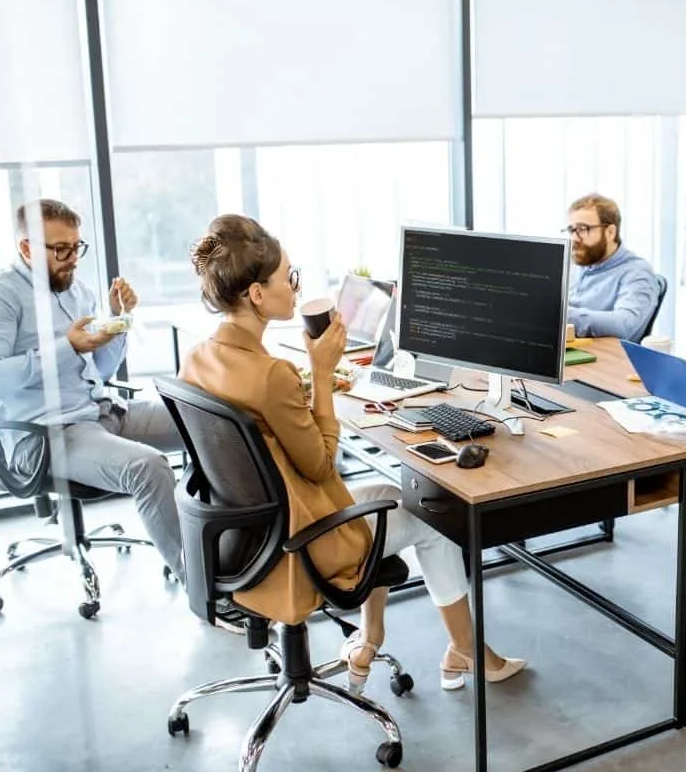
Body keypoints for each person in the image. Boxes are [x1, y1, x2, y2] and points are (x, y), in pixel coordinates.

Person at [181, 214, 525, 693]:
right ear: (257, 294)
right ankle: (466, 649)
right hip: (298, 545)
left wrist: (304, 392)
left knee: (387, 493)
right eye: (289, 278)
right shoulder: (270, 375)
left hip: (245, 535)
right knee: (433, 516)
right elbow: (321, 464)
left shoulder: (198, 358)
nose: (296, 289)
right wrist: (322, 375)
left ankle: (371, 637)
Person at [0, 199, 184, 582]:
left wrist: (119, 319)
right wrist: (69, 346)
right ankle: (203, 588)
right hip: (46, 434)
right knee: (149, 469)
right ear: (27, 248)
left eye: (76, 246)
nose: (72, 258)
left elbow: (102, 369)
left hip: (98, 412)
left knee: (207, 421)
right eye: (60, 248)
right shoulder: (2, 297)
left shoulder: (77, 291)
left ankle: (224, 550)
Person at [563, 193, 660, 342]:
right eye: (571, 230)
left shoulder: (637, 272)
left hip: (603, 359)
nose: (574, 239)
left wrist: (563, 315)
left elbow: (624, 325)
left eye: (583, 229)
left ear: (610, 232)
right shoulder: (577, 262)